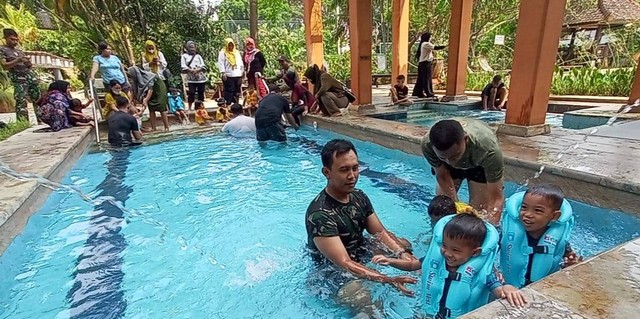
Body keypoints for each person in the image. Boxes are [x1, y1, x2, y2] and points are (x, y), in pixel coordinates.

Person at [306, 139, 418, 298]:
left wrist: (403, 255)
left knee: (405, 244)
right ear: (327, 172)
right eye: (344, 170)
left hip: (359, 251)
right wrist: (387, 279)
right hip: (332, 270)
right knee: (362, 299)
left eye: (355, 168)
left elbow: (380, 233)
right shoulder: (319, 214)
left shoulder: (359, 197)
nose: (352, 176)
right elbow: (345, 263)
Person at [422, 119, 504, 225]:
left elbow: (496, 198)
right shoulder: (427, 145)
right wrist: (456, 205)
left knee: (479, 215)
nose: (450, 161)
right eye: (443, 157)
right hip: (447, 168)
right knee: (442, 212)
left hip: (478, 164)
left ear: (466, 140)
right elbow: (442, 175)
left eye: (454, 156)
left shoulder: (488, 150)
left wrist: (491, 228)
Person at [500, 184, 581, 288]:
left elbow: (569, 257)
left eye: (538, 210)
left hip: (543, 286)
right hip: (511, 284)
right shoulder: (507, 232)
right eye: (524, 207)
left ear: (554, 216)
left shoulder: (557, 237)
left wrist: (571, 263)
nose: (528, 214)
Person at [371, 194, 458, 271]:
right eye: (433, 221)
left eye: (439, 222)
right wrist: (390, 261)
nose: (437, 225)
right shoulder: (435, 255)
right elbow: (412, 265)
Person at [0, 28, 40, 121]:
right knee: (21, 99)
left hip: (29, 75)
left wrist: (28, 63)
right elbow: (5, 65)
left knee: (37, 97)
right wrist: (18, 60)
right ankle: (23, 122)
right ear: (5, 38)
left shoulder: (19, 51)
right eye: (12, 39)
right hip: (18, 77)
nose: (15, 42)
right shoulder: (2, 50)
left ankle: (41, 119)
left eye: (16, 40)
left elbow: (29, 66)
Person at [128, 66, 169, 132]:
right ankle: (154, 128)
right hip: (150, 92)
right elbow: (133, 91)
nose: (130, 76)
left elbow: (150, 89)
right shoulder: (135, 80)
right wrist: (129, 102)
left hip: (159, 89)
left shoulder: (149, 76)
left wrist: (146, 99)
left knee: (161, 107)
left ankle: (166, 127)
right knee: (151, 108)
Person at [412, 32, 445, 99]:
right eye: (430, 37)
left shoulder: (423, 44)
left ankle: (417, 92)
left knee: (420, 79)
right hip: (425, 63)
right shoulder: (426, 44)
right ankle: (429, 93)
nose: (431, 38)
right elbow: (435, 47)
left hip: (422, 63)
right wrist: (445, 46)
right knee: (427, 79)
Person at [181, 41, 207, 111]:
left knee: (201, 92)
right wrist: (191, 70)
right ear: (187, 48)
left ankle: (200, 108)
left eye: (193, 47)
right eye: (190, 47)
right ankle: (189, 107)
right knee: (191, 92)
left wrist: (198, 70)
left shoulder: (198, 56)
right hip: (191, 78)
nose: (192, 49)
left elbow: (203, 65)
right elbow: (183, 66)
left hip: (200, 78)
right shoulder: (184, 56)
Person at [217, 38, 244, 104]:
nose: (231, 47)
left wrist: (242, 71)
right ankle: (228, 104)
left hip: (237, 74)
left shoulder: (236, 52)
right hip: (228, 75)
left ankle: (236, 104)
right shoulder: (223, 52)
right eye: (229, 45)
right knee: (229, 91)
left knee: (237, 91)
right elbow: (221, 63)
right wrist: (223, 72)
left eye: (232, 45)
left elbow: (240, 62)